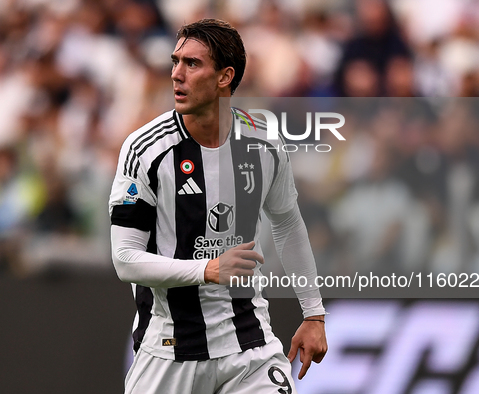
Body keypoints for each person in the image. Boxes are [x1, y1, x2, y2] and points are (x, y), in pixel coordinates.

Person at [109, 19, 327, 394]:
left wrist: (314, 313)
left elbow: (288, 224)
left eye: (192, 64)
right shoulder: (145, 150)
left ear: (225, 77)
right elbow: (124, 258)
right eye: (175, 62)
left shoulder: (264, 144)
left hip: (249, 349)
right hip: (169, 352)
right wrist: (207, 270)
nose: (176, 74)